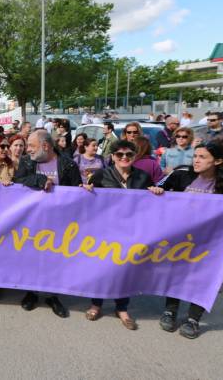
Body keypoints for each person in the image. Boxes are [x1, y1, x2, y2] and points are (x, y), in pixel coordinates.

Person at [154, 142, 223, 339]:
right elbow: (157, 187)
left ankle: (193, 319)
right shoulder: (182, 174)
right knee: (176, 275)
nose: (196, 160)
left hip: (211, 242)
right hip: (180, 239)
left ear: (218, 161)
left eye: (202, 157)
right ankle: (170, 311)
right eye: (195, 156)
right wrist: (156, 191)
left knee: (203, 278)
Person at [83, 140, 160, 330]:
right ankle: (96, 304)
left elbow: (151, 204)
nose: (124, 157)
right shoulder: (101, 175)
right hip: (105, 230)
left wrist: (156, 191)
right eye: (119, 154)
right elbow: (87, 201)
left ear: (134, 156)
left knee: (125, 269)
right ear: (112, 157)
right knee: (101, 267)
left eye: (128, 154)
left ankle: (122, 308)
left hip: (131, 231)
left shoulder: (143, 177)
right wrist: (85, 189)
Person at [14, 129, 82, 318]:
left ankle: (53, 295)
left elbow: (76, 191)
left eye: (32, 146)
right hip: (33, 221)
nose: (28, 150)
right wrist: (40, 179)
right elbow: (19, 180)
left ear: (45, 146)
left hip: (59, 223)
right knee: (31, 258)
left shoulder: (68, 164)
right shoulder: (27, 162)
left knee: (55, 260)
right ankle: (31, 292)